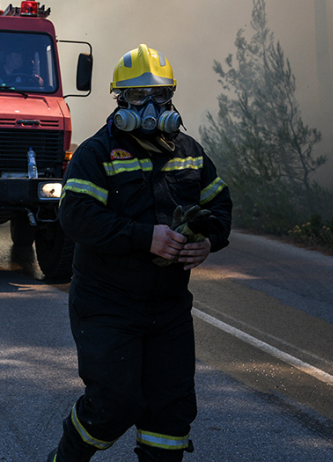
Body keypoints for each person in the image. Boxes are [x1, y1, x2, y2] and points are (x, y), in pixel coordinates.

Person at [47, 44, 232, 462]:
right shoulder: (96, 154)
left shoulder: (189, 152)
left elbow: (220, 205)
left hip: (167, 309)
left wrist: (208, 240)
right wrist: (142, 237)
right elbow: (75, 216)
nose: (150, 106)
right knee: (113, 405)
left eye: (159, 95)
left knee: (171, 414)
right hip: (107, 304)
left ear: (171, 97)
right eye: (137, 97)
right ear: (119, 100)